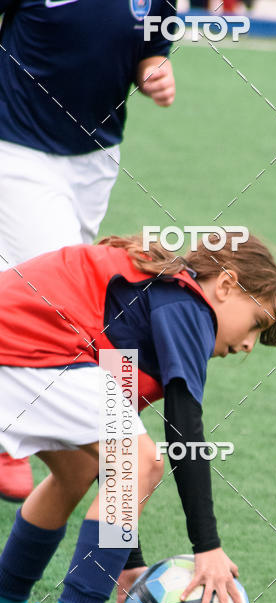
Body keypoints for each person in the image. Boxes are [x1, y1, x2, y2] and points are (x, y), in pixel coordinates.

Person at [0, 232, 276, 603]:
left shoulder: (145, 307)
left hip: (23, 350)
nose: (249, 346)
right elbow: (184, 429)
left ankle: (5, 602)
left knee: (79, 469)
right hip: (23, 349)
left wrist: (128, 562)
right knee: (142, 461)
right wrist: (208, 547)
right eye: (257, 323)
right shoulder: (188, 306)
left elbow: (107, 464)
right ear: (225, 285)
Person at [0, 0, 176, 502]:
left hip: (96, 155)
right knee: (52, 292)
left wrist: (155, 73)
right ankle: (9, 434)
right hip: (16, 145)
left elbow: (151, 48)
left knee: (30, 281)